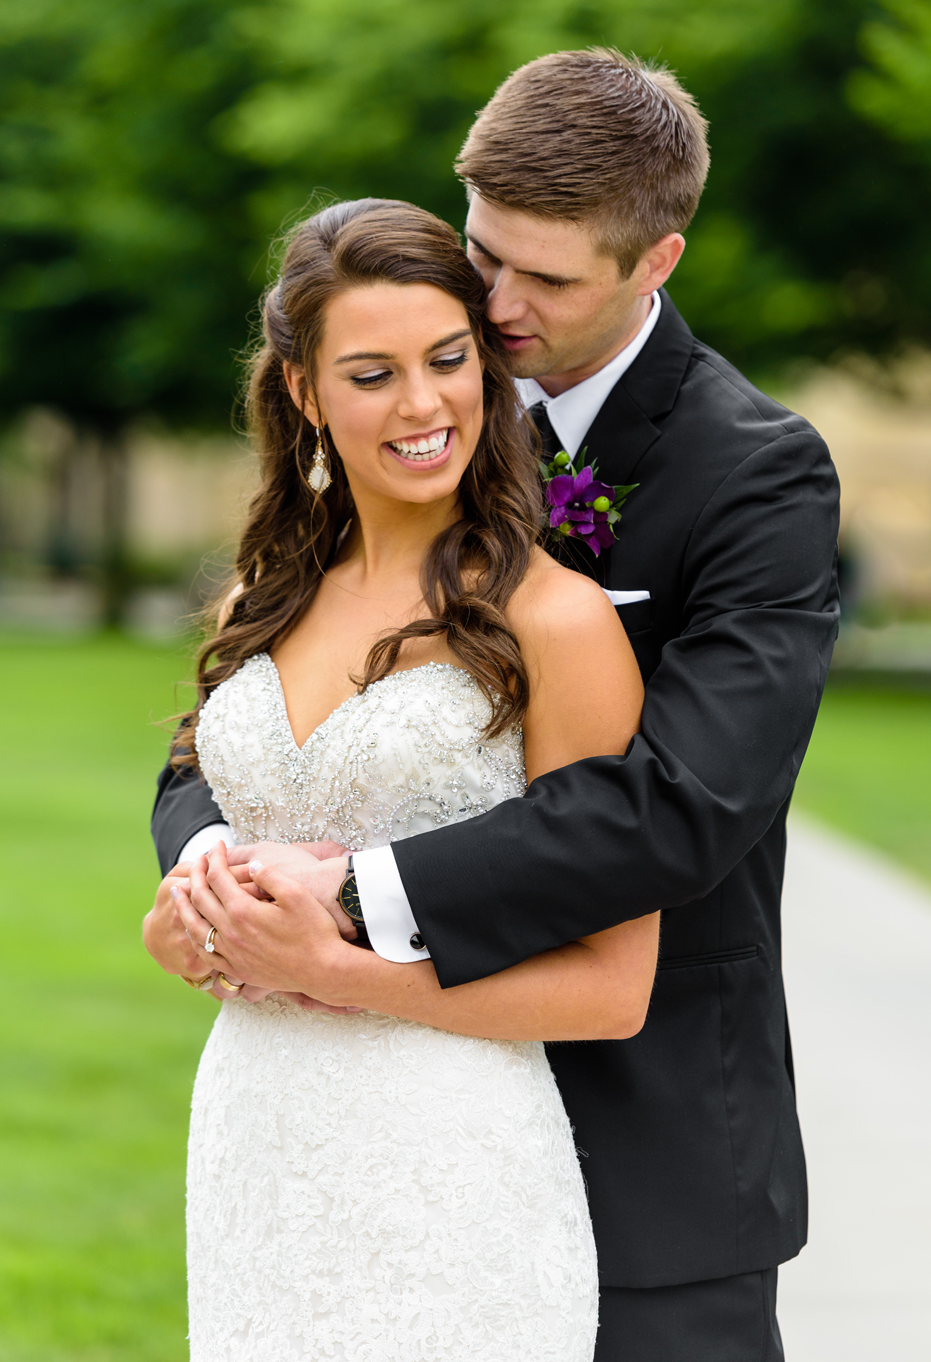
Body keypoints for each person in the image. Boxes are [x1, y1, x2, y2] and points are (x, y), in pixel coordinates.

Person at [146, 49, 840, 1362]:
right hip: (321, 1119)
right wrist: (212, 871)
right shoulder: (390, 406)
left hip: (654, 1124)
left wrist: (339, 900)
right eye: (485, 255)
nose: (499, 304)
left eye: (548, 278)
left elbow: (680, 805)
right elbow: (224, 733)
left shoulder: (756, 474)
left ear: (656, 261)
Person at [146, 196, 646, 1358]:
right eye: (372, 373)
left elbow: (612, 986)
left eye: (448, 359)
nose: (424, 405)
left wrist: (345, 974)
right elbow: (213, 828)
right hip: (254, 1142)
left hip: (452, 1167)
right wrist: (186, 920)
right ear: (305, 394)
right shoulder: (257, 606)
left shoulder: (557, 624)